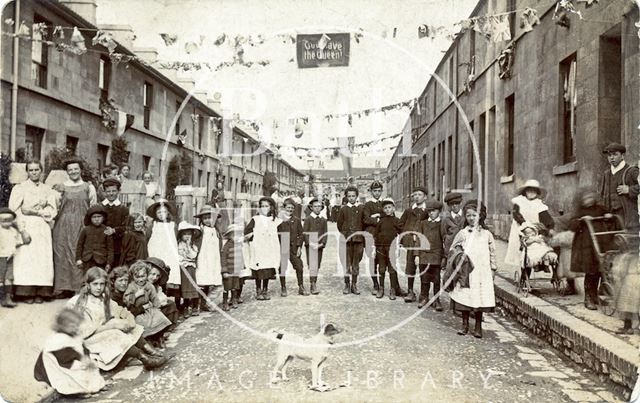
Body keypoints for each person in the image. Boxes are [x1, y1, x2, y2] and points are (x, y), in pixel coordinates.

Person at [66, 267, 168, 371]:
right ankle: (145, 359)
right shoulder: (79, 303)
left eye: (102, 284)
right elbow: (84, 332)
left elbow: (119, 310)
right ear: (88, 284)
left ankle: (152, 352)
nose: (99, 288)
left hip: (103, 333)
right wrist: (111, 325)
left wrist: (129, 320)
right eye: (95, 284)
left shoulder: (103, 297)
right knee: (116, 332)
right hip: (89, 340)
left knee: (133, 328)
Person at [9, 160, 57, 302]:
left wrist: (39, 212)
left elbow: (52, 210)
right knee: (26, 259)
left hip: (42, 226)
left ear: (41, 171)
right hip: (26, 226)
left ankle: (41, 293)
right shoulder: (20, 188)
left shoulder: (47, 189)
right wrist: (22, 230)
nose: (34, 172)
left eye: (37, 170)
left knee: (42, 259)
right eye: (31, 170)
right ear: (27, 172)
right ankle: (26, 293)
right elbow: (14, 210)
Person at [447, 200, 497, 338]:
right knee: (465, 298)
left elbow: (492, 252)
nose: (471, 218)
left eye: (474, 215)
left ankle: (478, 327)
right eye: (468, 215)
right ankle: (464, 324)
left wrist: (493, 268)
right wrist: (459, 256)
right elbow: (453, 249)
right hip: (467, 272)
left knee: (480, 298)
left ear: (480, 216)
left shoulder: (487, 234)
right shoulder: (463, 233)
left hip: (482, 272)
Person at [33, 308, 107, 396]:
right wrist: (81, 359)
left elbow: (81, 347)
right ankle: (77, 392)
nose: (76, 328)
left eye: (77, 325)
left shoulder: (73, 335)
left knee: (90, 369)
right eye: (72, 326)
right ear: (62, 326)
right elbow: (64, 356)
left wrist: (87, 357)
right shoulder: (58, 339)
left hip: (73, 361)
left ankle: (96, 386)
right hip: (62, 365)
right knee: (75, 376)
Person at [568, 188, 619, 310]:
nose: (589, 200)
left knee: (599, 268)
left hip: (601, 242)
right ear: (582, 201)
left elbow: (609, 219)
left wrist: (608, 216)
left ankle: (595, 295)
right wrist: (582, 220)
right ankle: (588, 298)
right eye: (586, 199)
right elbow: (571, 225)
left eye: (591, 198)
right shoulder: (579, 211)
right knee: (590, 270)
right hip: (585, 245)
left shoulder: (600, 209)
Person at [53, 158, 97, 297]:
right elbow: (55, 206)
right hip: (63, 225)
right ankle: (64, 288)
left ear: (81, 170)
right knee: (62, 255)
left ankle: (79, 288)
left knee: (78, 254)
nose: (73, 172)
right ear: (67, 172)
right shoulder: (61, 187)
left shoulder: (88, 187)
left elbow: (93, 207)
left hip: (82, 224)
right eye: (70, 170)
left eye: (76, 169)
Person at [505, 179, 555, 267]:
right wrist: (524, 224)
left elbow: (546, 217)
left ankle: (539, 262)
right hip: (521, 227)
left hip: (534, 229)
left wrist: (549, 227)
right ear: (525, 191)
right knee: (520, 248)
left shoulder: (539, 204)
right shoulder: (519, 201)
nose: (531, 192)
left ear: (537, 192)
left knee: (538, 244)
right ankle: (520, 268)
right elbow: (516, 214)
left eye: (534, 190)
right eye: (529, 190)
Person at [146, 199, 181, 311]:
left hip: (169, 252)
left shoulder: (172, 225)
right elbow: (147, 238)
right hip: (156, 251)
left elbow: (176, 238)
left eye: (164, 212)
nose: (162, 215)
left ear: (168, 213)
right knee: (156, 274)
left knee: (169, 275)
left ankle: (173, 303)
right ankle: (155, 301)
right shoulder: (153, 225)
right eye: (159, 213)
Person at [245, 196, 281, 300]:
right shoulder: (255, 219)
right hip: (259, 248)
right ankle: (258, 290)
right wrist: (252, 235)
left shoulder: (275, 220)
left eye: (267, 206)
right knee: (259, 269)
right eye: (262, 206)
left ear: (271, 207)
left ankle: (265, 289)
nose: (264, 208)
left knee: (267, 269)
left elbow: (280, 233)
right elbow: (247, 231)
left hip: (269, 248)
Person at [124, 261, 172, 338]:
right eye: (137, 277)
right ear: (133, 277)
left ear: (147, 275)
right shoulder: (131, 286)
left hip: (149, 309)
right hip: (138, 310)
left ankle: (159, 337)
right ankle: (148, 338)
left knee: (159, 318)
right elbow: (126, 300)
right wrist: (136, 295)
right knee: (141, 322)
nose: (140, 280)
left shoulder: (149, 286)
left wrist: (157, 308)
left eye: (143, 276)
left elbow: (154, 298)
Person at [599, 142, 640, 231]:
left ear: (622, 156)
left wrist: (629, 190)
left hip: (628, 218)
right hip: (611, 220)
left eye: (615, 154)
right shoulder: (606, 174)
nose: (612, 157)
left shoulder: (631, 171)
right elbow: (602, 196)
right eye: (609, 155)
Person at [398, 186, 430, 303]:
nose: (416, 197)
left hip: (423, 245)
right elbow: (400, 224)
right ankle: (410, 291)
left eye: (419, 194)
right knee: (410, 267)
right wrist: (406, 236)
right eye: (415, 195)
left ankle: (423, 294)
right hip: (411, 243)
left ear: (425, 197)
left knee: (423, 268)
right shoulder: (409, 211)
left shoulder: (428, 211)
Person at [417, 200, 446, 311]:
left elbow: (444, 241)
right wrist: (417, 255)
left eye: (434, 211)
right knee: (424, 278)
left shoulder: (442, 224)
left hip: (436, 255)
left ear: (439, 211)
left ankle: (436, 299)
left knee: (436, 279)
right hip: (424, 255)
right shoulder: (423, 224)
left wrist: (444, 257)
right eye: (429, 211)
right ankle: (424, 297)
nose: (431, 213)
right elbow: (418, 240)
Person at [0, 208, 31, 307]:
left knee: (9, 278)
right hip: (1, 257)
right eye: (3, 220)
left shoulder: (13, 231)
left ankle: (7, 298)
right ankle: (2, 297)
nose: (7, 223)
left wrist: (21, 230)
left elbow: (24, 241)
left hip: (10, 258)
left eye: (9, 220)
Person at [337, 186, 365, 295]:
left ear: (357, 196)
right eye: (349, 196)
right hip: (346, 240)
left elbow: (364, 222)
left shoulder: (361, 208)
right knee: (346, 262)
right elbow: (339, 224)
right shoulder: (343, 209)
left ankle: (354, 284)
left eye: (353, 196)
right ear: (346, 197)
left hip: (358, 240)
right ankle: (347, 284)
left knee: (356, 263)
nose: (351, 198)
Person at [374, 198, 403, 300]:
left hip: (392, 248)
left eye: (389, 207)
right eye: (385, 208)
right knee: (381, 269)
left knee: (392, 269)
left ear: (394, 208)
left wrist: (399, 246)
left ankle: (393, 289)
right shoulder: (380, 221)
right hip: (381, 248)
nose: (387, 209)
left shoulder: (397, 221)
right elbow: (376, 235)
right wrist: (375, 248)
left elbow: (402, 233)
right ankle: (381, 288)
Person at [194, 205, 223, 305]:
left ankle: (207, 301)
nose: (207, 220)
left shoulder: (217, 231)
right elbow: (196, 242)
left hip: (214, 258)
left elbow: (219, 245)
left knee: (212, 279)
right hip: (203, 257)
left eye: (209, 218)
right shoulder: (200, 230)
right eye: (205, 218)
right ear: (201, 219)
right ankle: (199, 302)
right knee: (202, 278)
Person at [278, 198, 307, 297]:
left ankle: (301, 287)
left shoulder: (297, 220)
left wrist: (299, 247)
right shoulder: (279, 220)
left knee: (299, 266)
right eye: (288, 207)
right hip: (282, 248)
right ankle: (283, 287)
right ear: (284, 208)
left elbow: (301, 234)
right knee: (282, 268)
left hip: (294, 248)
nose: (290, 210)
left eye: (292, 208)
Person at [362, 180, 384, 296]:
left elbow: (389, 217)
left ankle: (383, 285)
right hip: (370, 235)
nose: (377, 193)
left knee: (383, 260)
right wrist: (378, 218)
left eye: (379, 191)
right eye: (375, 191)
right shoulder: (368, 205)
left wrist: (375, 217)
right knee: (372, 260)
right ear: (371, 192)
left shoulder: (385, 203)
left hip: (382, 236)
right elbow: (366, 219)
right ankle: (375, 284)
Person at [100, 178, 129, 266]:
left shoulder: (123, 209)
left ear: (118, 191)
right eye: (108, 191)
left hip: (117, 244)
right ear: (104, 192)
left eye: (114, 191)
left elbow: (126, 227)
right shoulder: (100, 207)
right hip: (102, 244)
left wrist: (114, 231)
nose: (111, 193)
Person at [76, 205, 114, 272]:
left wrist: (109, 263)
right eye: (94, 217)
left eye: (99, 217)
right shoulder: (86, 230)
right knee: (87, 278)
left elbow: (110, 249)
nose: (96, 219)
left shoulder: (106, 230)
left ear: (103, 218)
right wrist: (78, 259)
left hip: (101, 261)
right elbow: (80, 245)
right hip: (87, 260)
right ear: (90, 218)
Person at [303, 198, 328, 295]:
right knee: (312, 264)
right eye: (315, 206)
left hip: (319, 245)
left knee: (317, 264)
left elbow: (325, 233)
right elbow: (305, 233)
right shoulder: (308, 219)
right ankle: (312, 284)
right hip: (311, 245)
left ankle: (314, 281)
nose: (317, 208)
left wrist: (322, 243)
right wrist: (309, 243)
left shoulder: (323, 220)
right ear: (311, 207)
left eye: (319, 206)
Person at [176, 221, 202, 317]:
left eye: (189, 234)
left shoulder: (193, 246)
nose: (187, 236)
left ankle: (195, 306)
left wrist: (188, 247)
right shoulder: (179, 245)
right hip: (183, 267)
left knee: (194, 285)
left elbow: (192, 255)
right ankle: (186, 306)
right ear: (181, 235)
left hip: (192, 268)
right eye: (184, 234)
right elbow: (180, 256)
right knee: (185, 287)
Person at [145, 258, 179, 327]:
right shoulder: (142, 284)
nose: (155, 277)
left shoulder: (156, 286)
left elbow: (160, 296)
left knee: (171, 304)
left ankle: (169, 326)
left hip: (157, 305)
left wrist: (161, 301)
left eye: (157, 276)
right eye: (152, 274)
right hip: (147, 308)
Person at [220, 224, 243, 311]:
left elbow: (240, 256)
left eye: (237, 235)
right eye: (233, 235)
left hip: (236, 270)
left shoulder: (239, 245)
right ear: (229, 236)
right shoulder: (226, 246)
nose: (236, 237)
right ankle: (225, 302)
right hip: (228, 271)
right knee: (227, 287)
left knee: (235, 286)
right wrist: (224, 271)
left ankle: (234, 300)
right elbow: (223, 258)